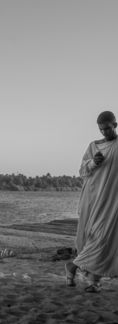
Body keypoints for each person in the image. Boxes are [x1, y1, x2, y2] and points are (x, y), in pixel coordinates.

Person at [65, 111, 118, 292]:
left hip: (114, 201)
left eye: (108, 129)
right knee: (97, 239)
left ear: (115, 125)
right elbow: (82, 170)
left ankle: (93, 281)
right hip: (95, 199)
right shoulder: (94, 146)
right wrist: (93, 162)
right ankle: (74, 268)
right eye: (101, 130)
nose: (104, 133)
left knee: (109, 241)